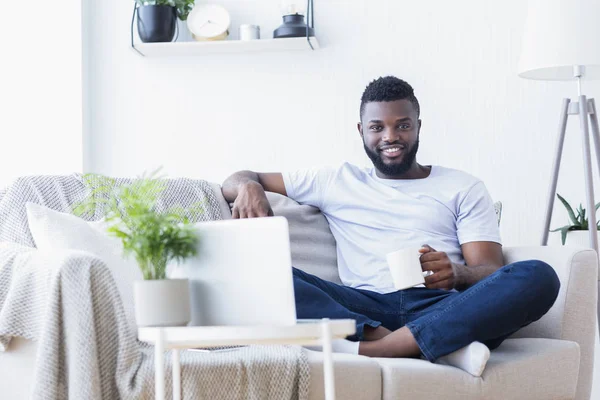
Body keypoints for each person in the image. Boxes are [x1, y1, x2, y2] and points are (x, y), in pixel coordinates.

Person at [221, 76, 559, 374]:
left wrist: (457, 274)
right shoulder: (335, 180)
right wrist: (250, 186)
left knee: (538, 275)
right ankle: (433, 345)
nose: (390, 136)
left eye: (402, 125)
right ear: (361, 131)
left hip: (442, 305)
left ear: (418, 126)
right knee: (258, 269)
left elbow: (489, 269)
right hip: (364, 307)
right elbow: (236, 178)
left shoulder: (462, 186)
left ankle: (385, 349)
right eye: (377, 127)